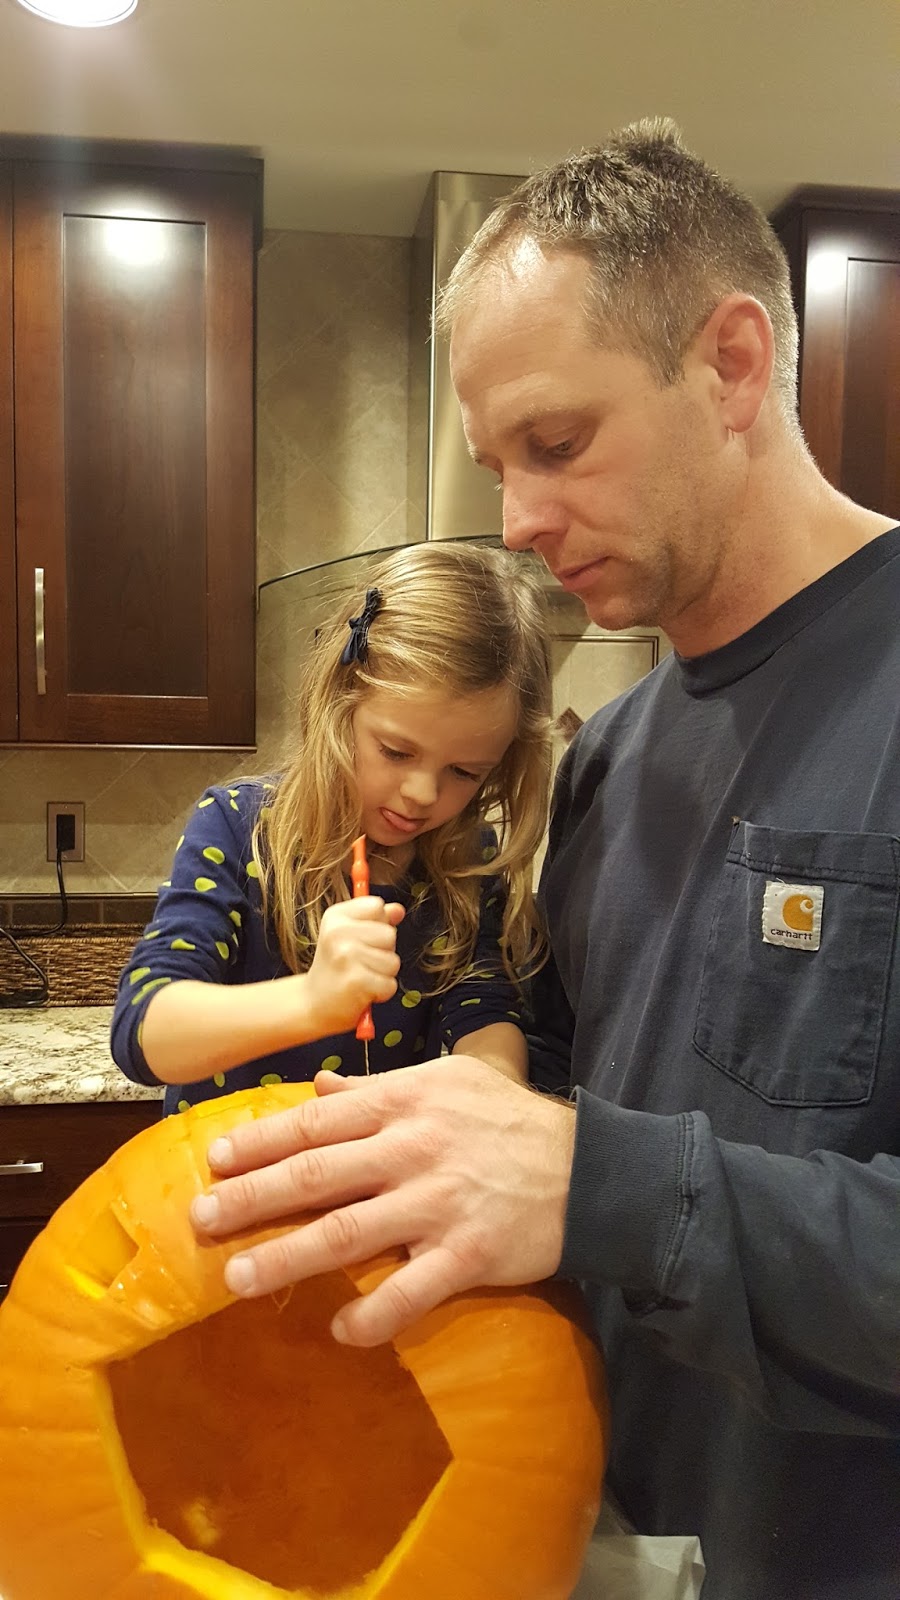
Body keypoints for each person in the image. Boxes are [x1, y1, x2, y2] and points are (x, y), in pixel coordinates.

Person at [188, 120, 900, 1600]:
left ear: (733, 363)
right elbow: (559, 1113)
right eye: (497, 465)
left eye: (557, 444)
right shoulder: (612, 757)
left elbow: (598, 1177)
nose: (517, 521)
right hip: (603, 1533)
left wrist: (600, 1185)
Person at [111, 542, 553, 1111]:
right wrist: (312, 1001)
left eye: (465, 772)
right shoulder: (237, 827)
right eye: (395, 751)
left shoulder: (465, 859)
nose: (423, 794)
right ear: (337, 704)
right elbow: (143, 1030)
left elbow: (484, 1014)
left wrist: (495, 1098)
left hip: (368, 1165)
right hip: (224, 1156)